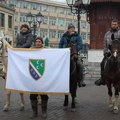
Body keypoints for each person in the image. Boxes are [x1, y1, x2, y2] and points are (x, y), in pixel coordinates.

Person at [3, 24, 34, 111]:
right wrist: (15, 50)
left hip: (25, 52)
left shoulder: (30, 35)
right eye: (22, 27)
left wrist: (18, 49)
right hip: (18, 52)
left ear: (27, 29)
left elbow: (28, 43)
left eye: (25, 27)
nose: (23, 28)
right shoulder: (19, 35)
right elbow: (17, 44)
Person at [95, 19, 120, 86]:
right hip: (110, 53)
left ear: (117, 25)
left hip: (119, 53)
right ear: (111, 25)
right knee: (102, 63)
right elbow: (105, 44)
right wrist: (106, 52)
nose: (114, 25)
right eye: (112, 24)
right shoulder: (107, 34)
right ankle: (102, 79)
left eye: (115, 24)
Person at [30, 37, 49, 119]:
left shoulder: (47, 51)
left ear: (42, 43)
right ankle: (34, 112)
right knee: (32, 95)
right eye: (36, 42)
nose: (38, 43)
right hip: (33, 78)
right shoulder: (29, 51)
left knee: (44, 95)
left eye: (39, 42)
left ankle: (44, 112)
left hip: (43, 77)